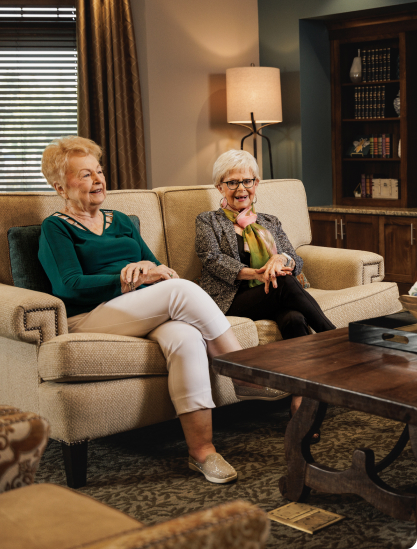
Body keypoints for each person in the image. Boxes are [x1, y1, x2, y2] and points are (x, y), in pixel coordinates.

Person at [38, 136, 271, 485]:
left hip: (141, 308)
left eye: (99, 171)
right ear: (60, 186)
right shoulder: (56, 227)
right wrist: (124, 278)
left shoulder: (120, 220)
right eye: (85, 175)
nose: (98, 180)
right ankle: (242, 371)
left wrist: (150, 267)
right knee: (181, 290)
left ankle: (202, 452)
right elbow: (67, 285)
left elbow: (162, 269)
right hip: (91, 315)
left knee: (187, 337)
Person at [195, 149, 336, 431]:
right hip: (233, 299)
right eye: (232, 182)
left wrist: (279, 259)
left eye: (247, 181)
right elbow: (211, 259)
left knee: (295, 319)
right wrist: (258, 272)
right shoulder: (208, 220)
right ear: (219, 187)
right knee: (283, 282)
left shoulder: (269, 221)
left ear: (256, 184)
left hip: (273, 295)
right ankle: (334, 339)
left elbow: (295, 259)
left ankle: (302, 401)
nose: (241, 189)